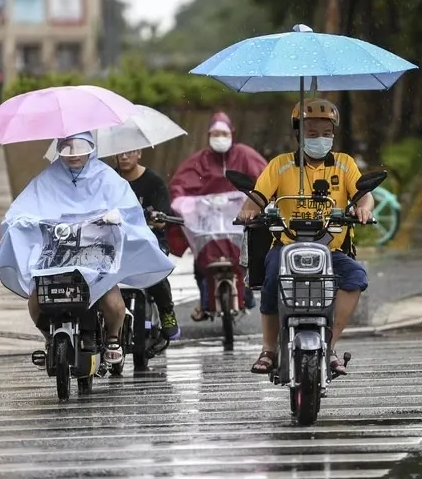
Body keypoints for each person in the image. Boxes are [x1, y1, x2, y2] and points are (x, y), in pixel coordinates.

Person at [0, 132, 176, 365]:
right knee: (36, 302)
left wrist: (116, 216)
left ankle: (113, 338)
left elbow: (128, 208)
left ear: (91, 148)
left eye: (80, 147)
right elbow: (21, 209)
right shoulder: (47, 179)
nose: (74, 154)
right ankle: (49, 339)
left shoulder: (106, 177)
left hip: (96, 259)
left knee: (113, 303)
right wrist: (22, 222)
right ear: (59, 148)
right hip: (56, 260)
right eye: (68, 148)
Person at [237, 99, 374, 377]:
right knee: (271, 277)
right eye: (312, 133)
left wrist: (363, 209)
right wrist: (249, 211)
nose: (320, 139)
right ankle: (268, 349)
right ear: (298, 134)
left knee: (356, 277)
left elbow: (364, 196)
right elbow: (256, 199)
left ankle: (330, 345)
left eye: (326, 133)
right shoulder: (280, 165)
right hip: (287, 247)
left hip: (330, 250)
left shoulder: (345, 164)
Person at [168, 112, 267, 321]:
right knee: (201, 259)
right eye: (215, 134)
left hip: (239, 220)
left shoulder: (245, 156)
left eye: (224, 133)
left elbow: (265, 179)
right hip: (209, 223)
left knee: (249, 255)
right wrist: (185, 204)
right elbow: (180, 185)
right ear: (208, 135)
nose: (219, 138)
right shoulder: (199, 160)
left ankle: (246, 293)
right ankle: (205, 300)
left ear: (232, 134)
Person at [115, 148, 181, 341]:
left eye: (129, 152)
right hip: (118, 240)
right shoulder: (108, 181)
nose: (124, 156)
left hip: (150, 240)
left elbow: (162, 220)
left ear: (139, 153)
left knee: (155, 264)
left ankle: (166, 310)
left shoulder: (154, 182)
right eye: (120, 152)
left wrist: (155, 217)